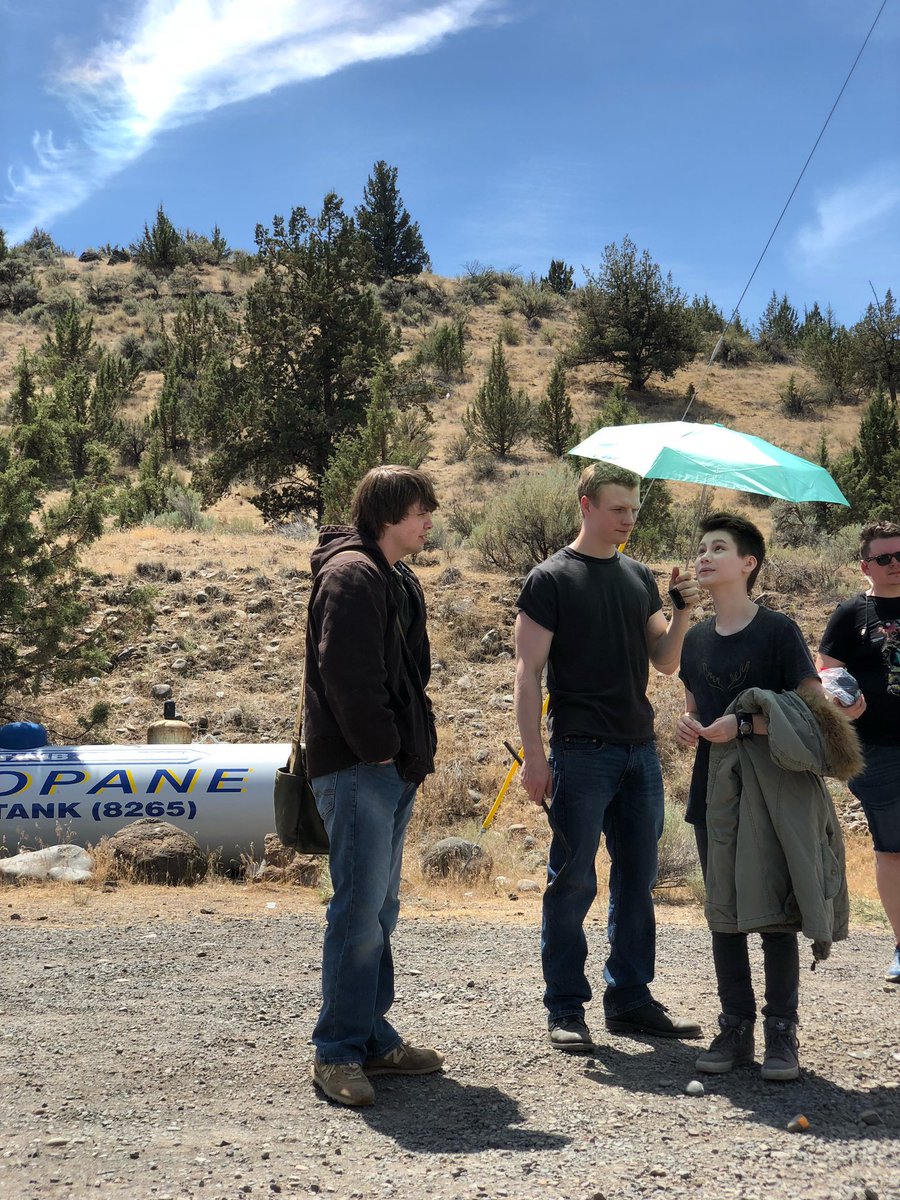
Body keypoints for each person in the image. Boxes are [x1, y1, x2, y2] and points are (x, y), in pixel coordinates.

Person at [514, 462, 703, 1052]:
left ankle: (630, 1000)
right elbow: (527, 673)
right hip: (579, 749)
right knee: (572, 882)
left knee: (638, 881)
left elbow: (666, 662)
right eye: (618, 508)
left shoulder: (638, 576)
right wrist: (534, 758)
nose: (628, 520)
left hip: (638, 750)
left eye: (634, 510)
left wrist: (681, 612)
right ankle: (566, 1008)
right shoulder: (550, 578)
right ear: (586, 505)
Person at [676, 513, 835, 1081]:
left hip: (771, 791)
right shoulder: (693, 641)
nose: (705, 556)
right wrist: (691, 725)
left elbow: (813, 711)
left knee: (772, 917)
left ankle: (781, 1035)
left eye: (718, 548)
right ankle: (734, 1029)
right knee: (723, 912)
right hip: (712, 791)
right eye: (701, 548)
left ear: (748, 563)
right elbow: (697, 705)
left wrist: (740, 728)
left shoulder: (778, 631)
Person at [304, 466, 443, 1107]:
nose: (428, 521)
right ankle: (336, 1053)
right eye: (420, 511)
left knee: (378, 912)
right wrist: (384, 750)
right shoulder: (352, 575)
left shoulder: (388, 575)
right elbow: (347, 678)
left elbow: (410, 672)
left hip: (386, 769)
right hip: (363, 769)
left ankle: (369, 1036)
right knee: (359, 913)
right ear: (390, 514)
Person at [817, 520, 900, 985]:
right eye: (884, 558)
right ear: (865, 565)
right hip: (877, 751)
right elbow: (827, 671)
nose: (895, 565)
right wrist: (840, 700)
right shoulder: (852, 613)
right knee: (893, 851)